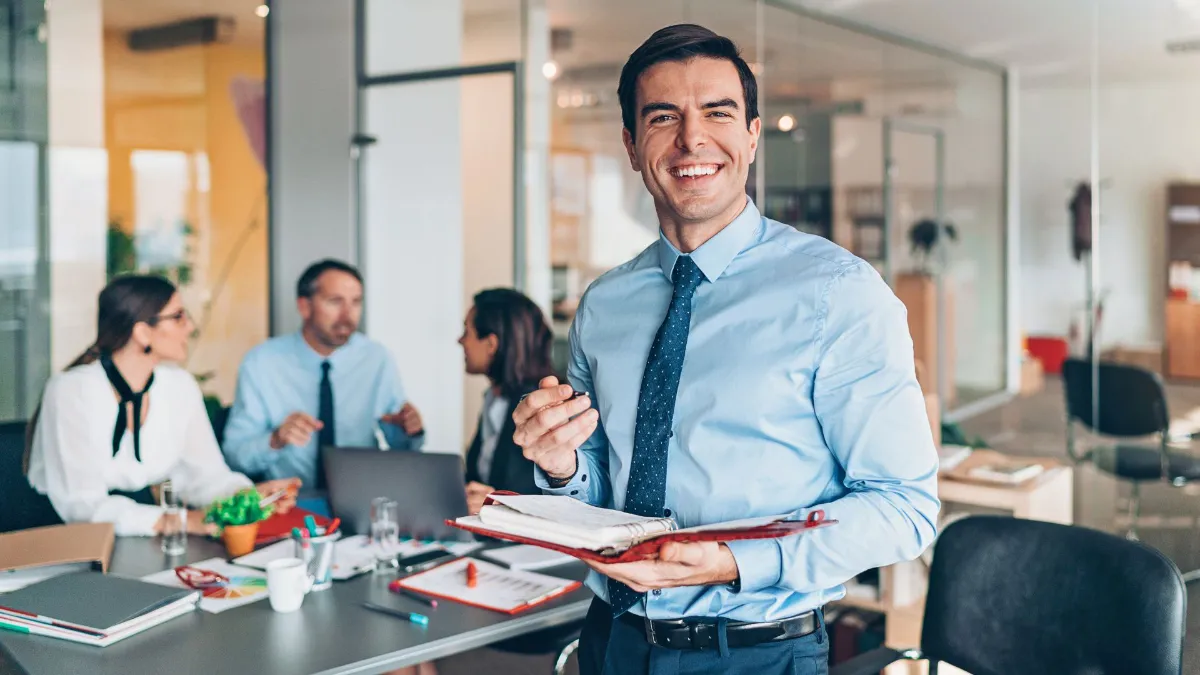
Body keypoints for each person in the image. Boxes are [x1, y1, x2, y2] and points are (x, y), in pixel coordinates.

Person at [511, 24, 940, 675]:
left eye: (717, 113)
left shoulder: (838, 293)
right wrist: (564, 464)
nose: (692, 139)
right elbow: (599, 490)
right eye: (663, 117)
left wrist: (736, 560)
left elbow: (904, 507)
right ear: (631, 144)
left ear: (752, 135)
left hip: (755, 653)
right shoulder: (604, 304)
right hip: (613, 641)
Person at [24, 275, 298, 537]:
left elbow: (204, 475)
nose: (190, 327)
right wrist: (178, 521)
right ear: (143, 332)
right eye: (178, 317)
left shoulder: (180, 385)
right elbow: (81, 506)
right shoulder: (70, 391)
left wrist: (248, 496)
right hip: (67, 541)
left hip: (145, 535)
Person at [223, 259, 425, 488]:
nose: (348, 315)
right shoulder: (262, 362)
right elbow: (235, 456)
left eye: (356, 302)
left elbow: (404, 449)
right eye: (335, 302)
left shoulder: (377, 359)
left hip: (361, 496)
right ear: (304, 307)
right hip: (290, 502)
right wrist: (275, 440)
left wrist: (409, 431)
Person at [459, 288, 556, 515]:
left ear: (491, 344)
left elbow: (554, 501)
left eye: (467, 331)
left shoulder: (541, 408)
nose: (460, 340)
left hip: (525, 546)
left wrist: (502, 505)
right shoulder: (493, 400)